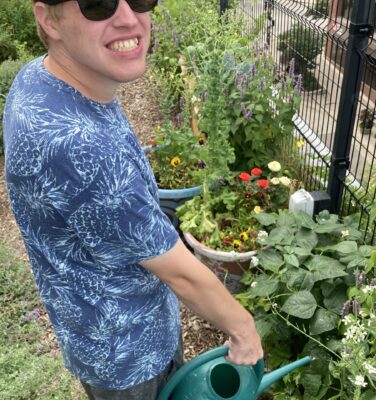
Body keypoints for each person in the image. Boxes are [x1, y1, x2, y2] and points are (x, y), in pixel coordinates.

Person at [3, 0, 263, 398]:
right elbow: (178, 272)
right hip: (126, 354)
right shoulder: (79, 147)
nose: (128, 18)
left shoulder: (40, 79)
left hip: (88, 324)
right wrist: (244, 330)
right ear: (47, 19)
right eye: (97, 4)